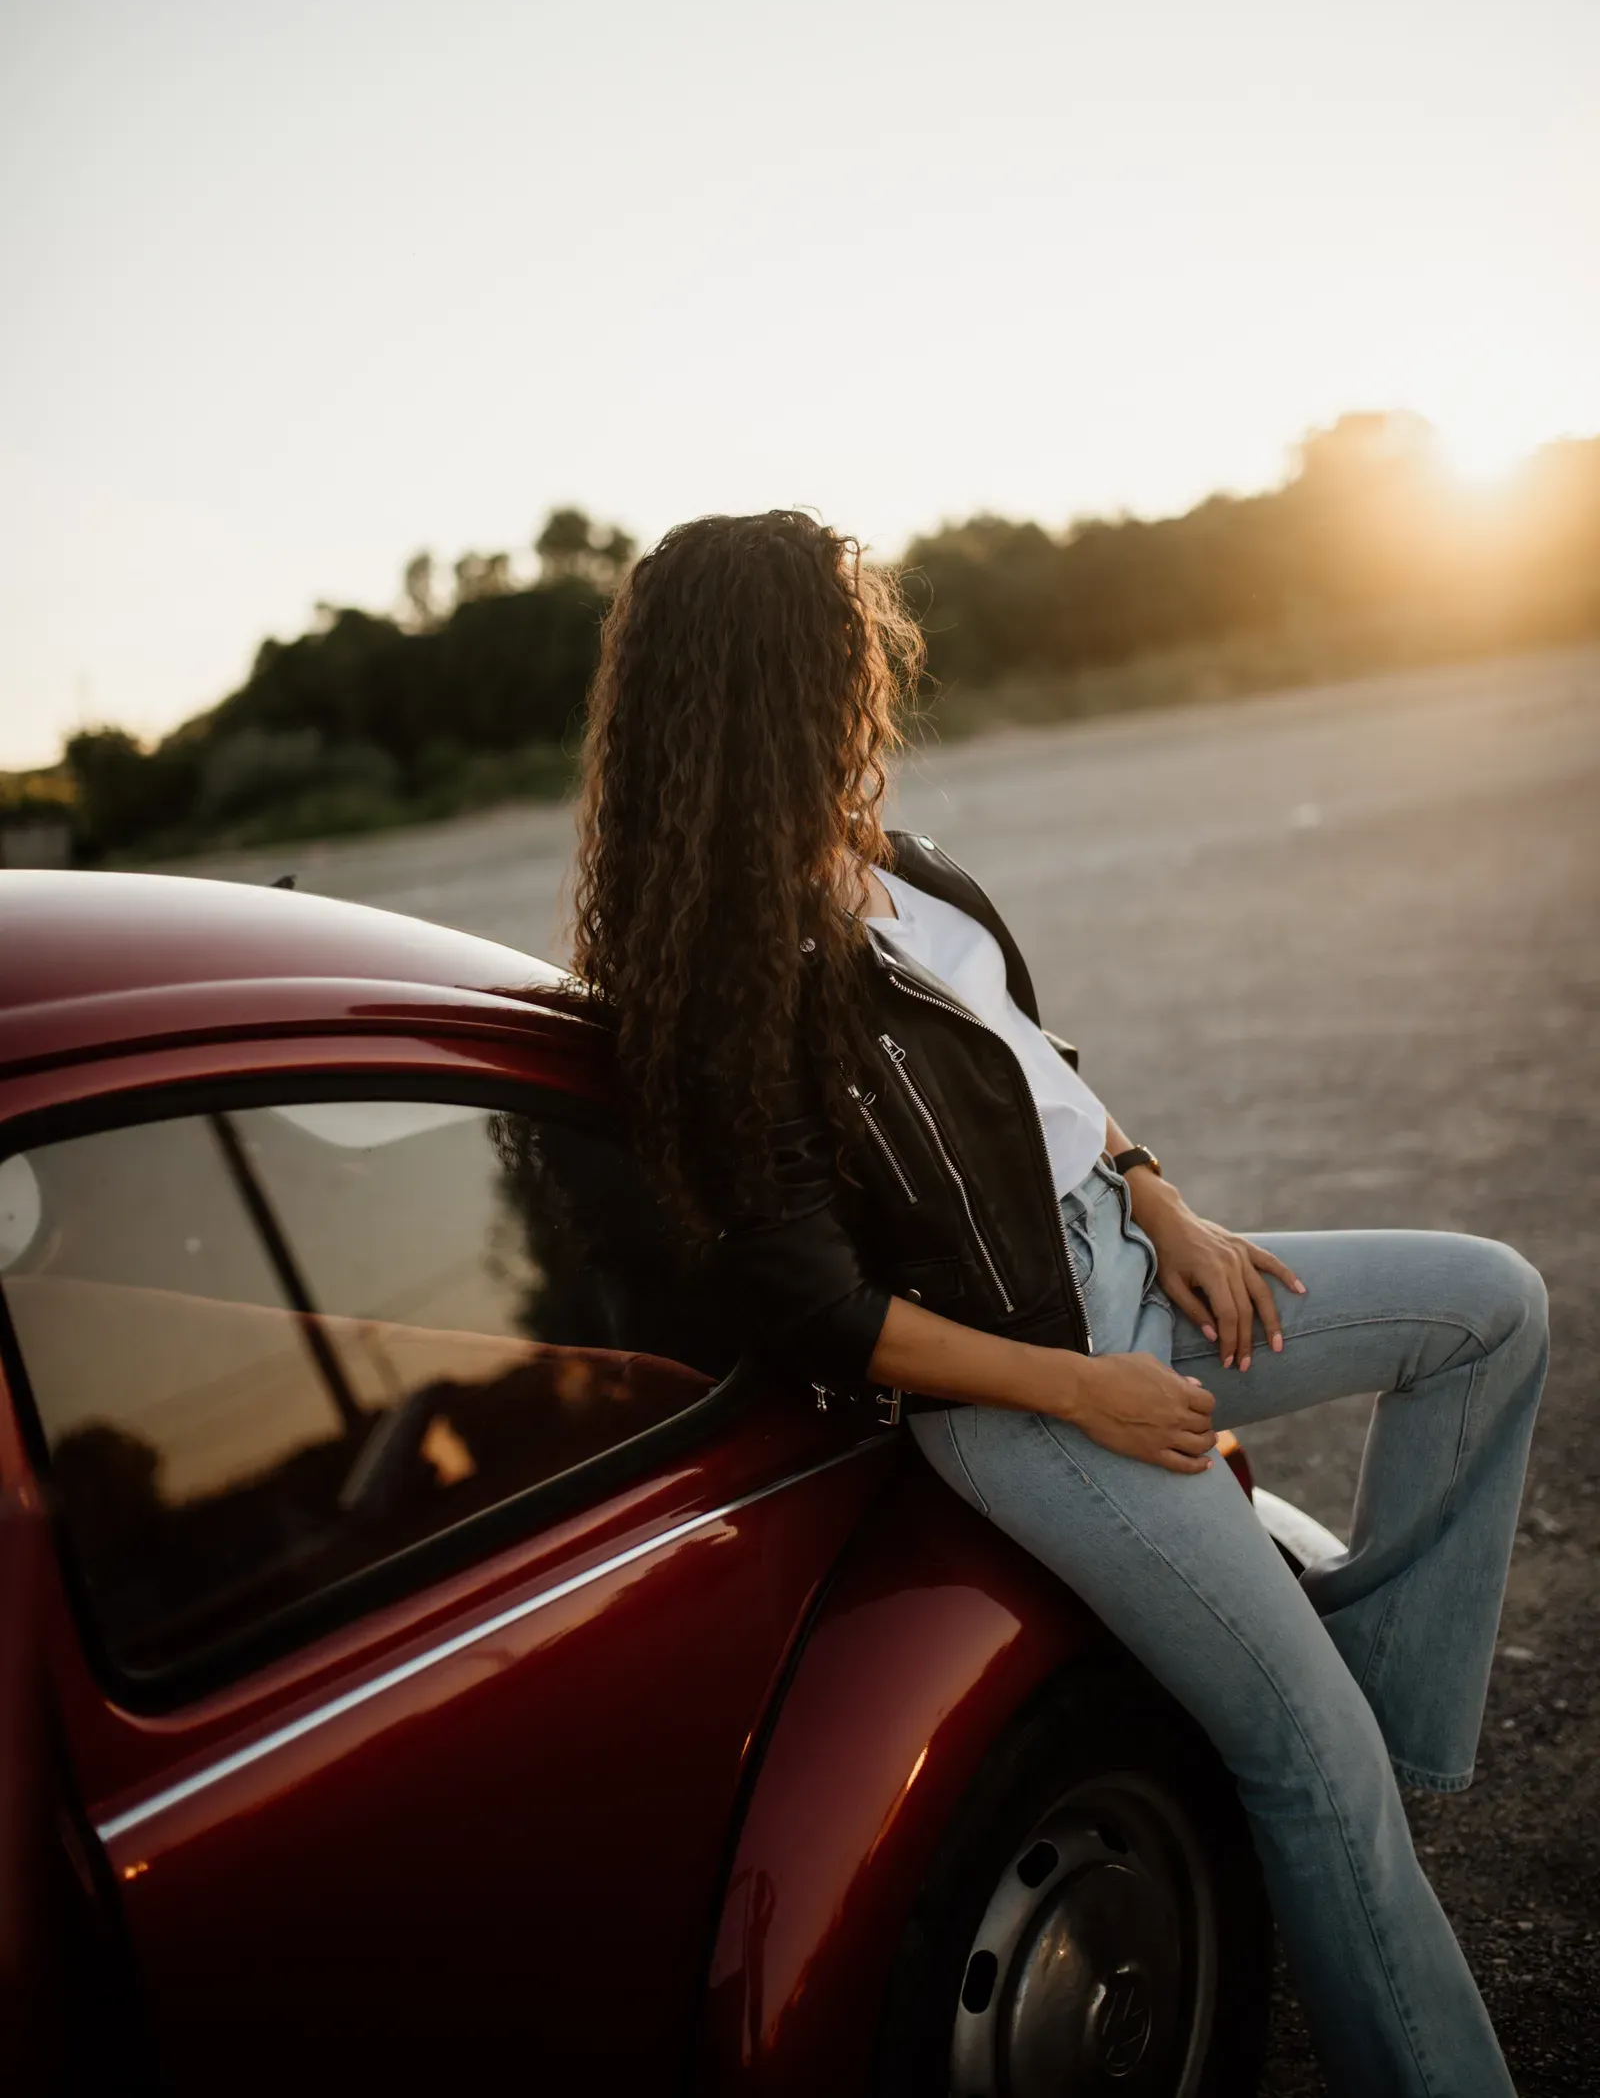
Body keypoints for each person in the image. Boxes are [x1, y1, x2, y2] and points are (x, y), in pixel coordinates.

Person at [570, 508, 1547, 2098]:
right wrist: (1080, 1389)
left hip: (1133, 1273)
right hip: (1022, 1392)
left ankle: (1363, 1718)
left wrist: (1164, 1200)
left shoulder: (904, 867)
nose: (873, 663)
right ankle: (1341, 1789)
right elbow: (819, 1308)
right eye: (843, 640)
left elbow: (1046, 1082)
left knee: (1488, 1308)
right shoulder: (727, 965)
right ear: (768, 680)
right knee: (1309, 1778)